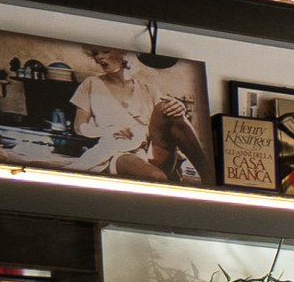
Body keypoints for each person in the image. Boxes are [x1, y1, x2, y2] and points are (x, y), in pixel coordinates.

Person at [62, 47, 212, 183]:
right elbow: (79, 127)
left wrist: (179, 107)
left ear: (123, 53)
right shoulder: (90, 84)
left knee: (166, 107)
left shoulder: (149, 89)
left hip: (153, 149)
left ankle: (209, 177)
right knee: (156, 178)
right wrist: (106, 130)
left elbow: (167, 122)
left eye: (105, 51)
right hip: (118, 150)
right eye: (96, 53)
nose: (99, 58)